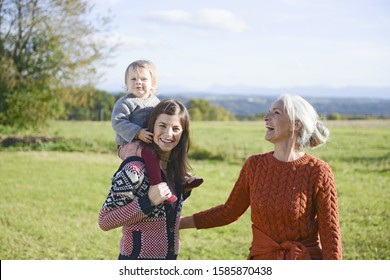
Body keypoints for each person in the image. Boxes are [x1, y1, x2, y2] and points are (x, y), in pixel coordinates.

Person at [180, 94, 342, 260]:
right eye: (268, 112)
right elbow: (229, 212)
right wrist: (179, 223)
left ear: (296, 124)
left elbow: (330, 234)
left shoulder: (318, 171)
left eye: (276, 113)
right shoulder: (255, 165)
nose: (266, 117)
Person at [99, 99, 197, 259]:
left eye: (176, 128)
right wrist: (148, 201)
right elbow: (105, 221)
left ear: (183, 133)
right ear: (151, 127)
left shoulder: (175, 171)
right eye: (162, 126)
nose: (168, 134)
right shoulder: (134, 170)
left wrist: (184, 192)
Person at [111, 60, 202, 204]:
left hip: (148, 141)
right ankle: (159, 188)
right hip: (129, 143)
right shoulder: (125, 103)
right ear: (126, 83)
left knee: (171, 152)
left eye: (143, 79)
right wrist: (138, 132)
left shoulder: (154, 101)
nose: (138, 82)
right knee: (150, 153)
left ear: (153, 83)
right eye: (133, 79)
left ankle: (183, 178)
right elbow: (118, 122)